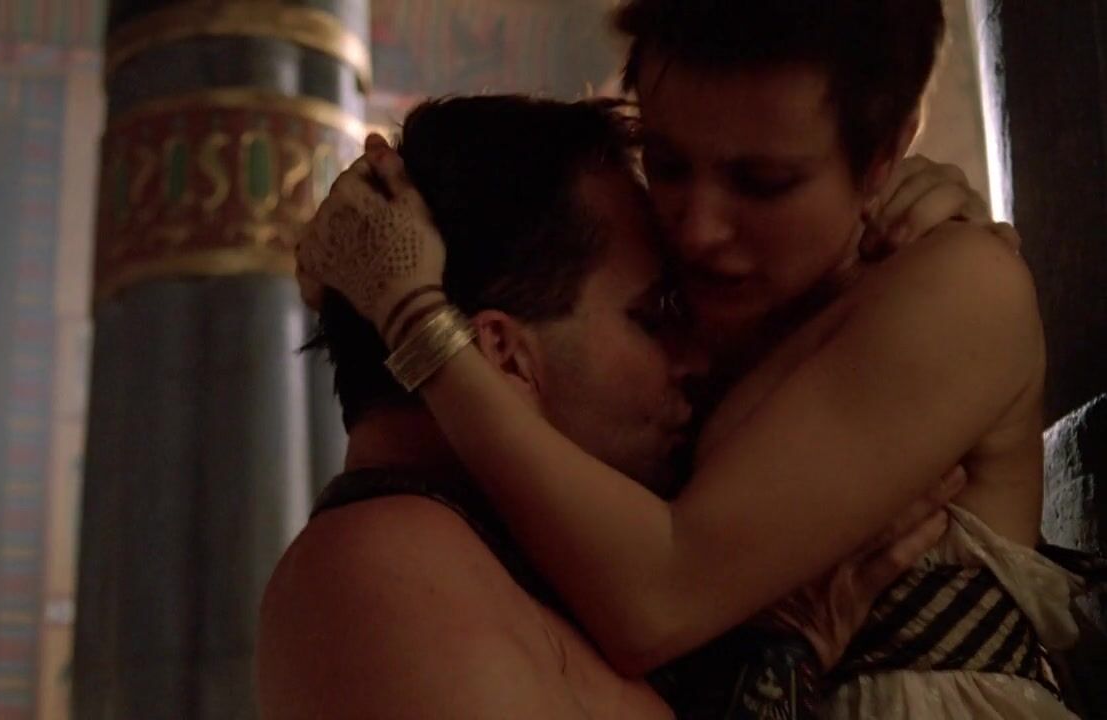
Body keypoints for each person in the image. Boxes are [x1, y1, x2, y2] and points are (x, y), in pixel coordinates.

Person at [295, 1, 1091, 717]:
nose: (698, 229)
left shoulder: (954, 283)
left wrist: (415, 318)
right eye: (668, 165)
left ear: (882, 155)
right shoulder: (692, 340)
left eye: (762, 182)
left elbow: (657, 599)